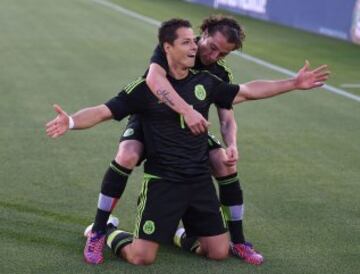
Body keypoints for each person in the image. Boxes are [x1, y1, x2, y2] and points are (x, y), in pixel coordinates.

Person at [46, 19, 329, 265]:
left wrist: (291, 84)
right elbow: (120, 101)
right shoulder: (165, 55)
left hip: (193, 158)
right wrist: (70, 121)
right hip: (154, 129)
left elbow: (242, 96)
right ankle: (99, 230)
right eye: (204, 45)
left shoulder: (211, 78)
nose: (207, 53)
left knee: (222, 165)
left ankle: (215, 238)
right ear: (193, 37)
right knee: (128, 154)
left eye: (222, 53)